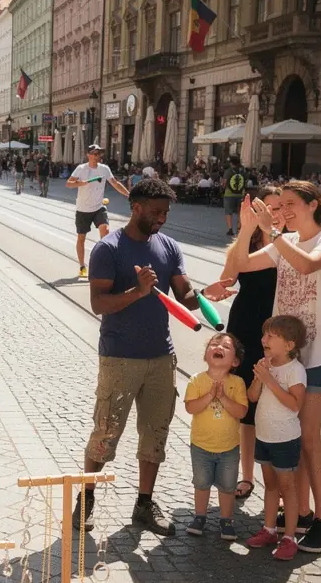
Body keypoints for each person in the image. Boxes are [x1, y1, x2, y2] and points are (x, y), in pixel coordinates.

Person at [204, 182, 321, 553]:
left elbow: (306, 264)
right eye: (279, 205)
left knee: (309, 437)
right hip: (284, 358)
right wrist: (248, 228)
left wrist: (271, 232)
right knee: (293, 439)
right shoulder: (283, 241)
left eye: (290, 204)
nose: (283, 211)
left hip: (319, 354)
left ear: (313, 205)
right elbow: (240, 265)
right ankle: (302, 513)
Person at [79, 178, 201, 536]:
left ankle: (144, 504)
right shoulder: (108, 249)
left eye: (166, 212)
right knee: (106, 431)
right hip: (120, 357)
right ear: (136, 208)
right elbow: (99, 304)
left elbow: (184, 295)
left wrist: (208, 294)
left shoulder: (169, 246)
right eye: (156, 212)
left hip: (161, 356)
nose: (162, 218)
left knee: (155, 433)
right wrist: (138, 291)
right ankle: (86, 498)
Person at [212, 186, 282, 501]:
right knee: (246, 408)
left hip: (277, 332)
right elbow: (228, 277)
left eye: (279, 208)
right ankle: (247, 476)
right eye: (267, 208)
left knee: (275, 405)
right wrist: (245, 231)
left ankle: (279, 481)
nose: (273, 214)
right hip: (245, 326)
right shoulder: (245, 245)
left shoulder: (289, 244)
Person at [244, 315, 308, 561]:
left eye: (271, 336)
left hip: (285, 440)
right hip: (264, 436)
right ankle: (269, 529)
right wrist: (259, 378)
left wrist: (270, 380)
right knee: (270, 485)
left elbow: (295, 405)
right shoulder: (266, 364)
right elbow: (252, 397)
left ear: (289, 345)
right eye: (265, 335)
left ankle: (289, 537)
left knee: (287, 488)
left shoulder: (295, 370)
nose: (264, 339)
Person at [184, 333, 249, 540]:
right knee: (201, 483)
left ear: (235, 361)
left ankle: (226, 520)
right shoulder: (197, 380)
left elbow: (241, 412)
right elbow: (191, 407)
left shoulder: (237, 383)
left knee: (228, 487)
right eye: (214, 344)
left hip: (229, 448)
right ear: (206, 355)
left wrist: (222, 397)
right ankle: (200, 516)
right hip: (201, 446)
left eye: (226, 347)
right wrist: (210, 396)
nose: (218, 347)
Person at [66, 144, 130, 279]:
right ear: (88, 155)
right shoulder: (81, 169)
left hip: (98, 207)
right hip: (83, 209)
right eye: (95, 154)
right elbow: (69, 183)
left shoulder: (104, 169)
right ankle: (82, 266)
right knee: (81, 238)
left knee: (105, 232)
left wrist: (129, 195)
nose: (97, 156)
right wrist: (81, 183)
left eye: (99, 154)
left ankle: (105, 262)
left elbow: (115, 183)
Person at [222, 156, 246, 236]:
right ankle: (239, 228)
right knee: (240, 211)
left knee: (228, 212)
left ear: (231, 163)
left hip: (229, 194)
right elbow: (245, 181)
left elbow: (224, 183)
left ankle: (230, 229)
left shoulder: (228, 171)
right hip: (240, 193)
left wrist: (223, 187)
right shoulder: (242, 171)